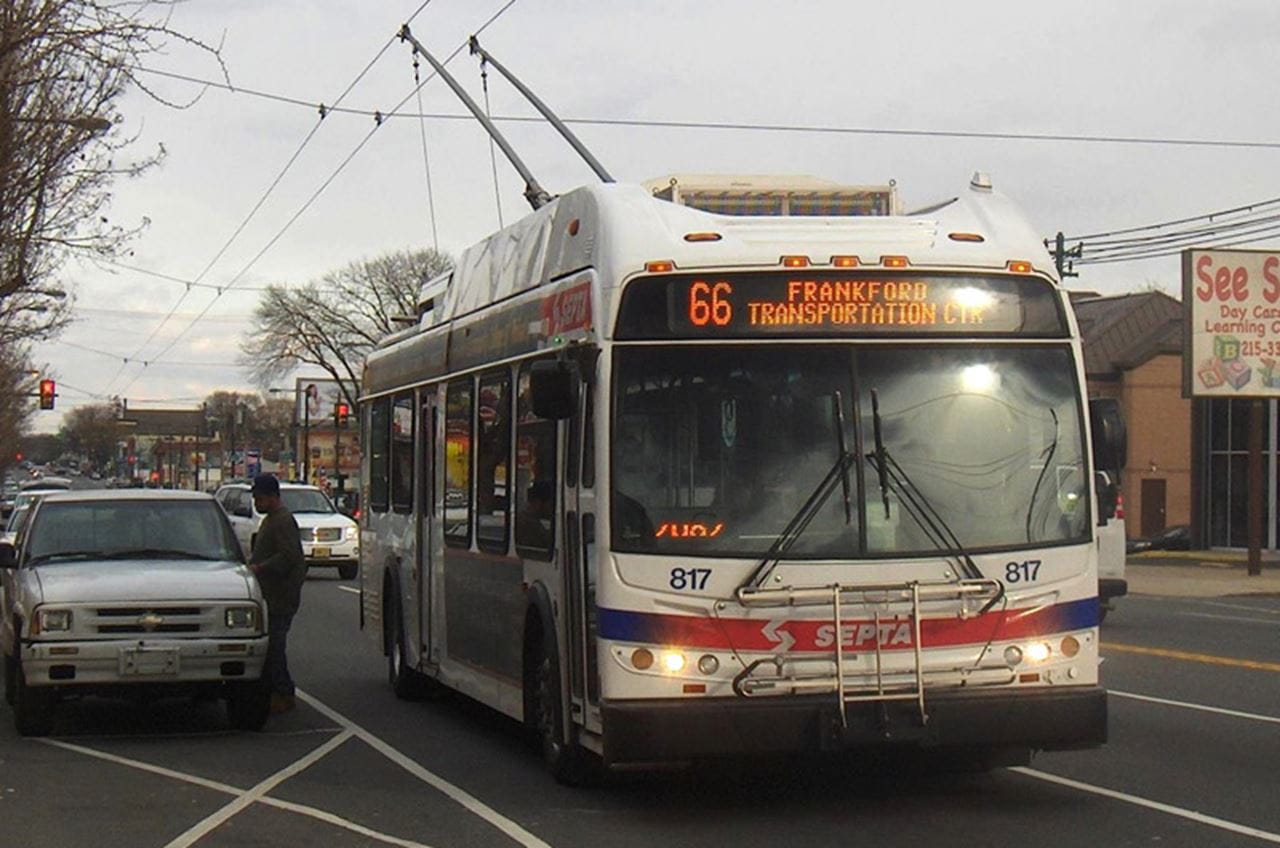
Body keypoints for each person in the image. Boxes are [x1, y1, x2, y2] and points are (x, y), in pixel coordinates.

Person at [247, 474, 306, 715]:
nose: (255, 502)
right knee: (271, 646)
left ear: (272, 497)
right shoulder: (271, 519)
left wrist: (261, 567)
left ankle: (284, 692)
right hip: (270, 595)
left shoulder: (282, 521)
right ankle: (276, 691)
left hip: (280, 596)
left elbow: (289, 556)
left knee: (274, 647)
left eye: (259, 498)